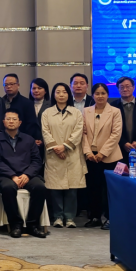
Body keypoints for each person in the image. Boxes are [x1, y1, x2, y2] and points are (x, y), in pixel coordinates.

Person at [0, 110, 47, 239]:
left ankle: (33, 225)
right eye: (8, 119)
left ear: (20, 122)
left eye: (14, 119)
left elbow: (37, 161)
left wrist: (27, 175)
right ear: (3, 122)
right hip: (6, 176)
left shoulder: (29, 139)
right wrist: (12, 175)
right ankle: (15, 225)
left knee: (40, 187)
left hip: (27, 174)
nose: (11, 121)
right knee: (8, 188)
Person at [41, 83, 87, 229]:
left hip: (72, 154)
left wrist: (65, 147)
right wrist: (56, 148)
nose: (61, 94)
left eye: (64, 92)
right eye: (58, 92)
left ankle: (70, 217)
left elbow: (78, 131)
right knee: (55, 188)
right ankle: (58, 217)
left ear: (69, 94)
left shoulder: (76, 113)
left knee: (72, 188)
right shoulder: (47, 113)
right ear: (53, 95)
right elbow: (45, 132)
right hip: (53, 155)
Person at [82, 83, 123, 230]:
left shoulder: (115, 111)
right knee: (93, 188)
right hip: (91, 157)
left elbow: (116, 134)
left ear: (108, 95)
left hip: (109, 156)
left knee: (109, 189)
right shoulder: (86, 111)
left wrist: (102, 153)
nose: (100, 96)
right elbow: (82, 134)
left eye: (103, 93)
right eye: (97, 93)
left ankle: (111, 218)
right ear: (93, 95)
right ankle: (95, 217)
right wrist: (88, 152)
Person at [2, 74, 41, 141]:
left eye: (11, 84)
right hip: (3, 139)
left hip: (22, 140)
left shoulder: (27, 103)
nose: (8, 86)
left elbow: (31, 125)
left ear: (18, 85)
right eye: (6, 84)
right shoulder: (0, 102)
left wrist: (25, 140)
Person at [30, 78, 51, 149]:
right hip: (29, 143)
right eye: (33, 88)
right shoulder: (26, 104)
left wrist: (43, 140)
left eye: (39, 88)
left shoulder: (51, 105)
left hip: (48, 143)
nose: (36, 90)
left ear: (45, 91)